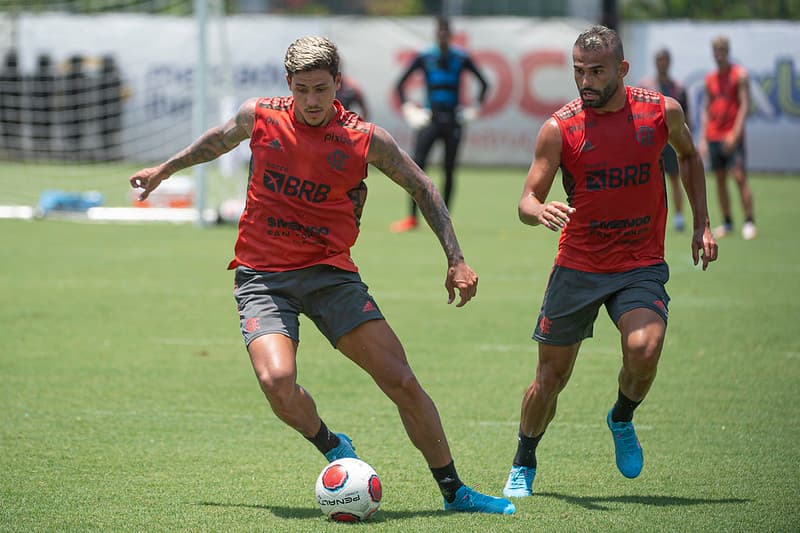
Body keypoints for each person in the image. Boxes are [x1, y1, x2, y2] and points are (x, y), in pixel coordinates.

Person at [129, 36, 514, 516]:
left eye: (321, 89)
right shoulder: (261, 116)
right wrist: (164, 170)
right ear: (289, 84)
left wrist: (456, 259)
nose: (312, 101)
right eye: (303, 89)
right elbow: (217, 140)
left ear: (338, 83)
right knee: (277, 382)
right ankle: (333, 445)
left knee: (400, 380)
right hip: (262, 277)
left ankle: (455, 491)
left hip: (331, 275)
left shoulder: (363, 137)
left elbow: (422, 186)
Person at [501, 25, 718, 498]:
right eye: (579, 71)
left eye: (596, 72)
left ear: (621, 69)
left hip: (638, 263)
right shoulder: (560, 128)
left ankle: (621, 417)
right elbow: (526, 199)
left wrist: (702, 222)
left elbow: (690, 157)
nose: (586, 82)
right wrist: (539, 210)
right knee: (550, 379)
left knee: (644, 350)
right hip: (578, 265)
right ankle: (524, 457)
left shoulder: (661, 112)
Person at [390, 16, 490, 233]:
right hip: (430, 119)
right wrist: (409, 110)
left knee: (449, 169)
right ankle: (412, 217)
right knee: (417, 167)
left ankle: (445, 220)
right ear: (436, 34)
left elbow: (484, 83)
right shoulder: (425, 57)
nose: (443, 36)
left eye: (447, 33)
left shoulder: (461, 57)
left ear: (450, 35)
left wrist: (474, 110)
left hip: (453, 119)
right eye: (440, 33)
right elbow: (399, 85)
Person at [700, 35, 756, 240]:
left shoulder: (739, 75)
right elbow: (706, 109)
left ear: (728, 51)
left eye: (722, 50)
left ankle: (749, 221)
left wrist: (735, 133)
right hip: (714, 134)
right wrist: (704, 138)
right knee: (720, 180)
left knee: (739, 177)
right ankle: (727, 221)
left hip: (732, 135)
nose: (719, 54)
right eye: (716, 50)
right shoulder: (710, 79)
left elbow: (744, 106)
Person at [638, 48, 688, 232]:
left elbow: (685, 118)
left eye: (665, 60)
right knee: (648, 181)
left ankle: (679, 217)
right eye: (659, 60)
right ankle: (647, 216)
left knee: (675, 179)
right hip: (652, 142)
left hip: (672, 140)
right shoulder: (645, 86)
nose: (662, 63)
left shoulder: (678, 88)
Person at [30, 53, 57, 159]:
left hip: (39, 108)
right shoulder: (49, 77)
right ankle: (43, 150)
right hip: (44, 108)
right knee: (44, 129)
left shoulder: (36, 76)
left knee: (40, 129)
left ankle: (41, 151)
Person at [0, 49, 23, 157]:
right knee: (14, 127)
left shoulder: (3, 74)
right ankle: (13, 148)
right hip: (15, 107)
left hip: (5, 106)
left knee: (7, 127)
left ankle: (9, 148)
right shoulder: (18, 75)